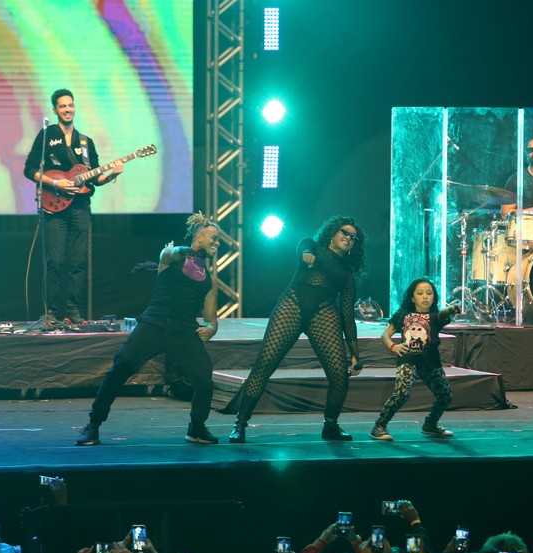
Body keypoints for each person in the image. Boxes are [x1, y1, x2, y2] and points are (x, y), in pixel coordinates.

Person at [75, 212, 221, 446]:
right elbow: (170, 252)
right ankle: (93, 426)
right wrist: (187, 251)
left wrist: (211, 328)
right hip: (154, 323)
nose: (217, 243)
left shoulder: (209, 279)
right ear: (199, 237)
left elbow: (211, 318)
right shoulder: (171, 258)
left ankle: (196, 428)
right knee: (120, 368)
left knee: (203, 380)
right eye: (213, 238)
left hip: (184, 331)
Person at [228, 216, 365, 443]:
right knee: (265, 365)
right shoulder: (313, 248)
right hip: (292, 304)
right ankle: (240, 424)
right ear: (333, 233)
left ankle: (330, 425)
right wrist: (306, 254)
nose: (348, 238)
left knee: (340, 375)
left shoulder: (347, 276)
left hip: (323, 312)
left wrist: (355, 352)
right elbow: (304, 243)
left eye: (353, 237)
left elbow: (347, 314)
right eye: (344, 232)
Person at [23, 88, 123, 325]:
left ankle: (73, 311)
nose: (68, 109)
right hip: (54, 208)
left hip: (80, 207)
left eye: (71, 105)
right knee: (55, 261)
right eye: (63, 106)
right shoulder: (47, 136)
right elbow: (29, 170)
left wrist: (111, 175)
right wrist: (56, 182)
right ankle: (50, 313)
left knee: (78, 262)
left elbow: (94, 177)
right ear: (55, 110)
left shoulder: (86, 142)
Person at [370, 278, 458, 441]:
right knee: (401, 393)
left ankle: (430, 425)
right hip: (408, 360)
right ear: (412, 298)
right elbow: (385, 335)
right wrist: (393, 347)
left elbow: (444, 313)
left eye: (429, 293)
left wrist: (451, 309)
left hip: (430, 362)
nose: (425, 296)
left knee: (445, 395)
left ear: (434, 297)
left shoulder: (435, 316)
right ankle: (379, 426)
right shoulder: (403, 315)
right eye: (420, 293)